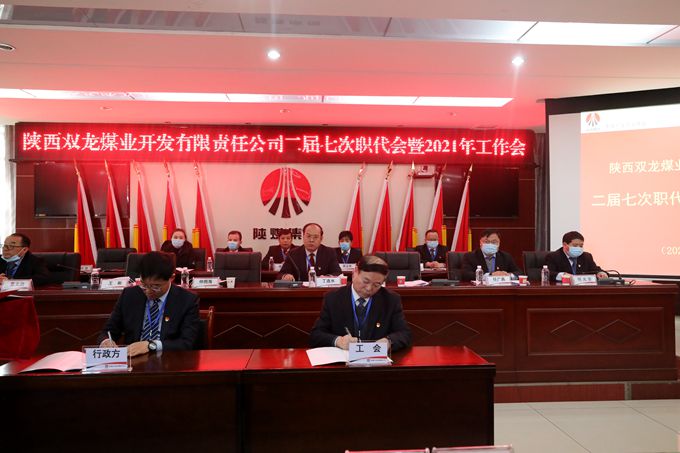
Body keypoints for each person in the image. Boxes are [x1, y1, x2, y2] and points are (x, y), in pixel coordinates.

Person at [98, 251, 200, 357]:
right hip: (133, 359)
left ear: (171, 278)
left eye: (156, 286)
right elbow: (108, 331)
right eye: (144, 285)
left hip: (168, 360)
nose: (148, 291)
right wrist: (106, 341)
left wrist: (151, 345)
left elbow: (187, 343)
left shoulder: (187, 300)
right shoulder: (129, 295)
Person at [310, 255, 411, 351]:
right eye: (366, 281)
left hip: (375, 360)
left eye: (377, 285)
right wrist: (338, 341)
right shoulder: (333, 298)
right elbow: (316, 335)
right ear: (355, 272)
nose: (369, 288)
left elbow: (405, 333)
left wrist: (388, 342)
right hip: (343, 360)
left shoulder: (391, 300)